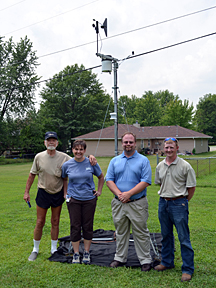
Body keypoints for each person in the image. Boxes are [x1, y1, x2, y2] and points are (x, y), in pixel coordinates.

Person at [23, 132, 96, 261]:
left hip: (58, 193)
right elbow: (31, 175)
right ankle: (35, 249)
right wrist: (26, 192)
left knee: (55, 221)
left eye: (53, 140)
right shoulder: (38, 157)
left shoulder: (64, 157)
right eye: (48, 140)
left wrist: (91, 156)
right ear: (45, 143)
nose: (51, 142)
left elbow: (78, 157)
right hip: (43, 192)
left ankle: (53, 249)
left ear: (57, 143)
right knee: (40, 222)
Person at [106, 132, 152, 272]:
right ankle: (120, 257)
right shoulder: (114, 161)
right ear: (122, 143)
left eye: (130, 142)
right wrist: (120, 195)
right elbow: (109, 180)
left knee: (141, 231)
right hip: (119, 203)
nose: (128, 144)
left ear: (135, 143)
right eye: (125, 142)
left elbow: (146, 181)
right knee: (120, 231)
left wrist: (129, 194)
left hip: (137, 202)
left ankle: (145, 260)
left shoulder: (143, 160)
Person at [154, 137, 196, 282]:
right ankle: (166, 262)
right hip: (163, 203)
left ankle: (188, 269)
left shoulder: (185, 166)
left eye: (172, 147)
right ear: (163, 148)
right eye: (166, 147)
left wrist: (182, 202)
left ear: (177, 148)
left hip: (179, 204)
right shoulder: (159, 166)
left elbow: (191, 188)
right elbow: (160, 184)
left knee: (183, 237)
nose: (169, 150)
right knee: (166, 235)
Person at [61, 140, 104, 264]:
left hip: (89, 200)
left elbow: (101, 177)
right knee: (75, 226)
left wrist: (99, 191)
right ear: (72, 150)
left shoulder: (91, 162)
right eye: (76, 149)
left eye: (81, 149)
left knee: (87, 226)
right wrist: (65, 193)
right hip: (73, 199)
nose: (78, 152)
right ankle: (76, 253)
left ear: (85, 150)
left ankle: (86, 252)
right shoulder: (67, 165)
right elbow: (64, 178)